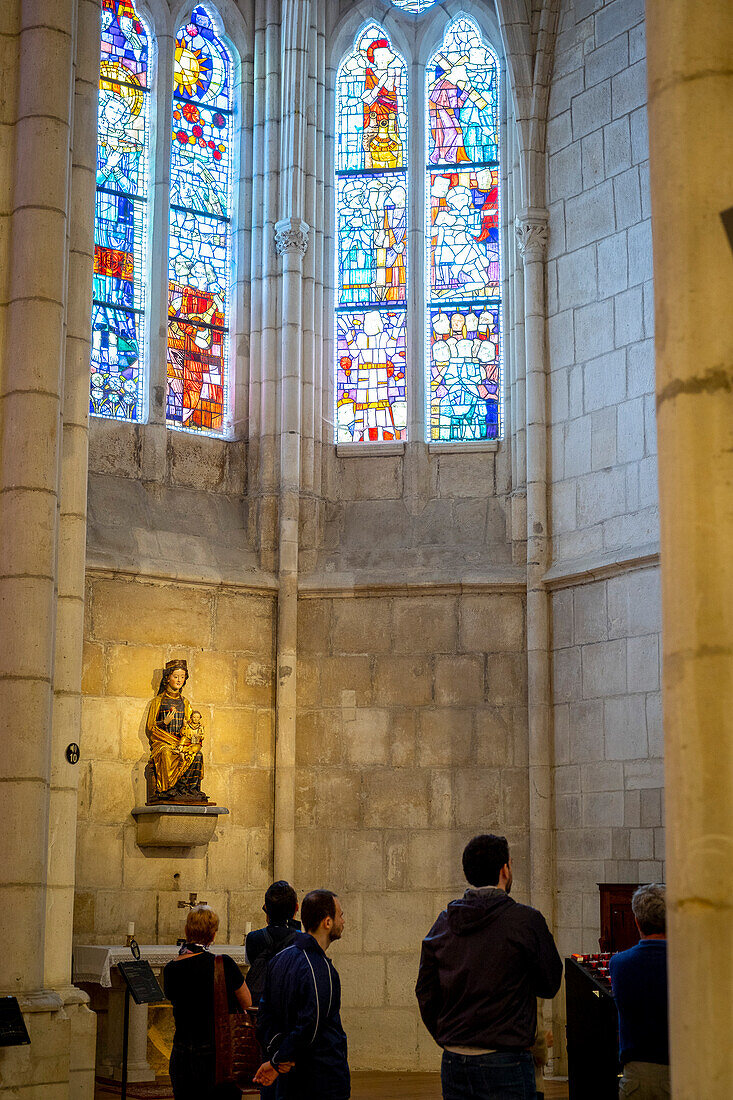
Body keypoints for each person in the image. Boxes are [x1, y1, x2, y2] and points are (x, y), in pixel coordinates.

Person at [416, 833, 562, 1100]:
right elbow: (550, 983)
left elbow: (426, 991)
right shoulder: (526, 921)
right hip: (506, 1061)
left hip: (454, 1061)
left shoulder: (443, 924)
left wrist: (447, 1036)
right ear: (505, 870)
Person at [254, 889, 350, 1099]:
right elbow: (310, 1027)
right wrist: (278, 1061)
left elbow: (263, 1016)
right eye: (340, 915)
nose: (343, 921)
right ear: (327, 922)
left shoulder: (279, 959)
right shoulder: (319, 967)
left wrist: (277, 1054)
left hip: (288, 1079)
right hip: (317, 1079)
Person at [163, 905, 252, 1100]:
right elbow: (247, 1002)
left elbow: (172, 998)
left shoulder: (171, 969)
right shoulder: (224, 964)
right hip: (217, 1054)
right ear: (213, 935)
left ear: (187, 931)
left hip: (183, 1053)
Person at [609, 884, 669, 1098]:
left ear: (636, 921)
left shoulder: (618, 963)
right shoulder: (688, 962)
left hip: (637, 1077)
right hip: (682, 1069)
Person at [146, 658, 208, 803]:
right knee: (167, 753)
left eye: (182, 677)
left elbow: (190, 724)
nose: (179, 680)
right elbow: (150, 727)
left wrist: (193, 731)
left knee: (197, 754)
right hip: (163, 741)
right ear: (168, 678)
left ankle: (190, 789)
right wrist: (164, 722)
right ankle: (168, 789)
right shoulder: (158, 701)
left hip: (180, 740)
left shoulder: (185, 702)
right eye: (175, 676)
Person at [245, 880, 301, 1000]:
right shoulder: (303, 941)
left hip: (262, 1002)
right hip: (290, 1003)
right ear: (296, 907)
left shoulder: (253, 938)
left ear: (266, 908)